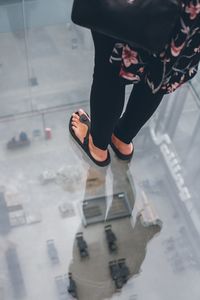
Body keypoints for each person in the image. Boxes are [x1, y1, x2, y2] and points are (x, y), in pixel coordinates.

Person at [69, 0, 200, 167]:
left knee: (111, 67)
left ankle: (98, 146)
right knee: (162, 69)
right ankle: (122, 138)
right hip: (190, 14)